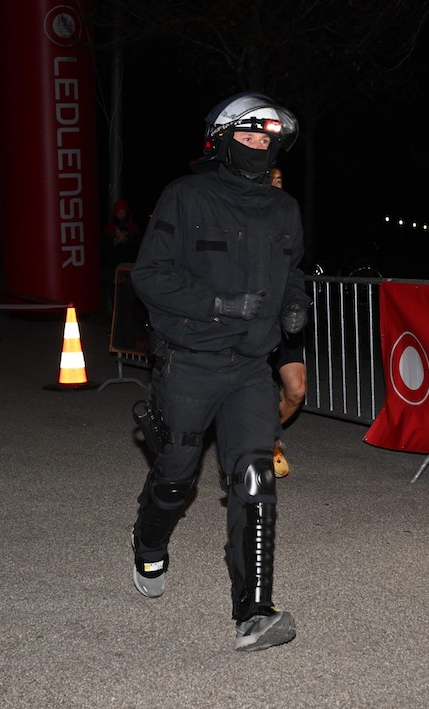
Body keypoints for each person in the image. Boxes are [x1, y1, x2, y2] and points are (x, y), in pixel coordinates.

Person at [128, 91, 308, 653]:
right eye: (250, 137)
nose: (260, 146)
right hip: (191, 361)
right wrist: (216, 304)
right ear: (224, 140)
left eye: (269, 141)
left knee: (255, 478)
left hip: (251, 367)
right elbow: (149, 276)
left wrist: (295, 309)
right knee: (177, 474)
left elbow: (292, 270)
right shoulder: (185, 196)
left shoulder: (285, 208)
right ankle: (148, 540)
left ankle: (254, 613)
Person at [267, 166, 306, 478]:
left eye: (280, 180)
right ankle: (261, 445)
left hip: (284, 316)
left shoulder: (290, 216)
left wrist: (297, 302)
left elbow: (294, 267)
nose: (276, 186)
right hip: (251, 319)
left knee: (295, 390)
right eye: (270, 180)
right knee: (251, 393)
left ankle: (267, 437)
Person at [101, 198, 142, 319]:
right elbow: (105, 250)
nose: (121, 216)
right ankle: (115, 325)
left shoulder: (134, 228)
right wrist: (115, 241)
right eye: (119, 213)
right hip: (112, 270)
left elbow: (138, 248)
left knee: (130, 299)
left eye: (123, 213)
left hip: (129, 269)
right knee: (115, 298)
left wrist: (126, 240)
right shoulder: (108, 229)